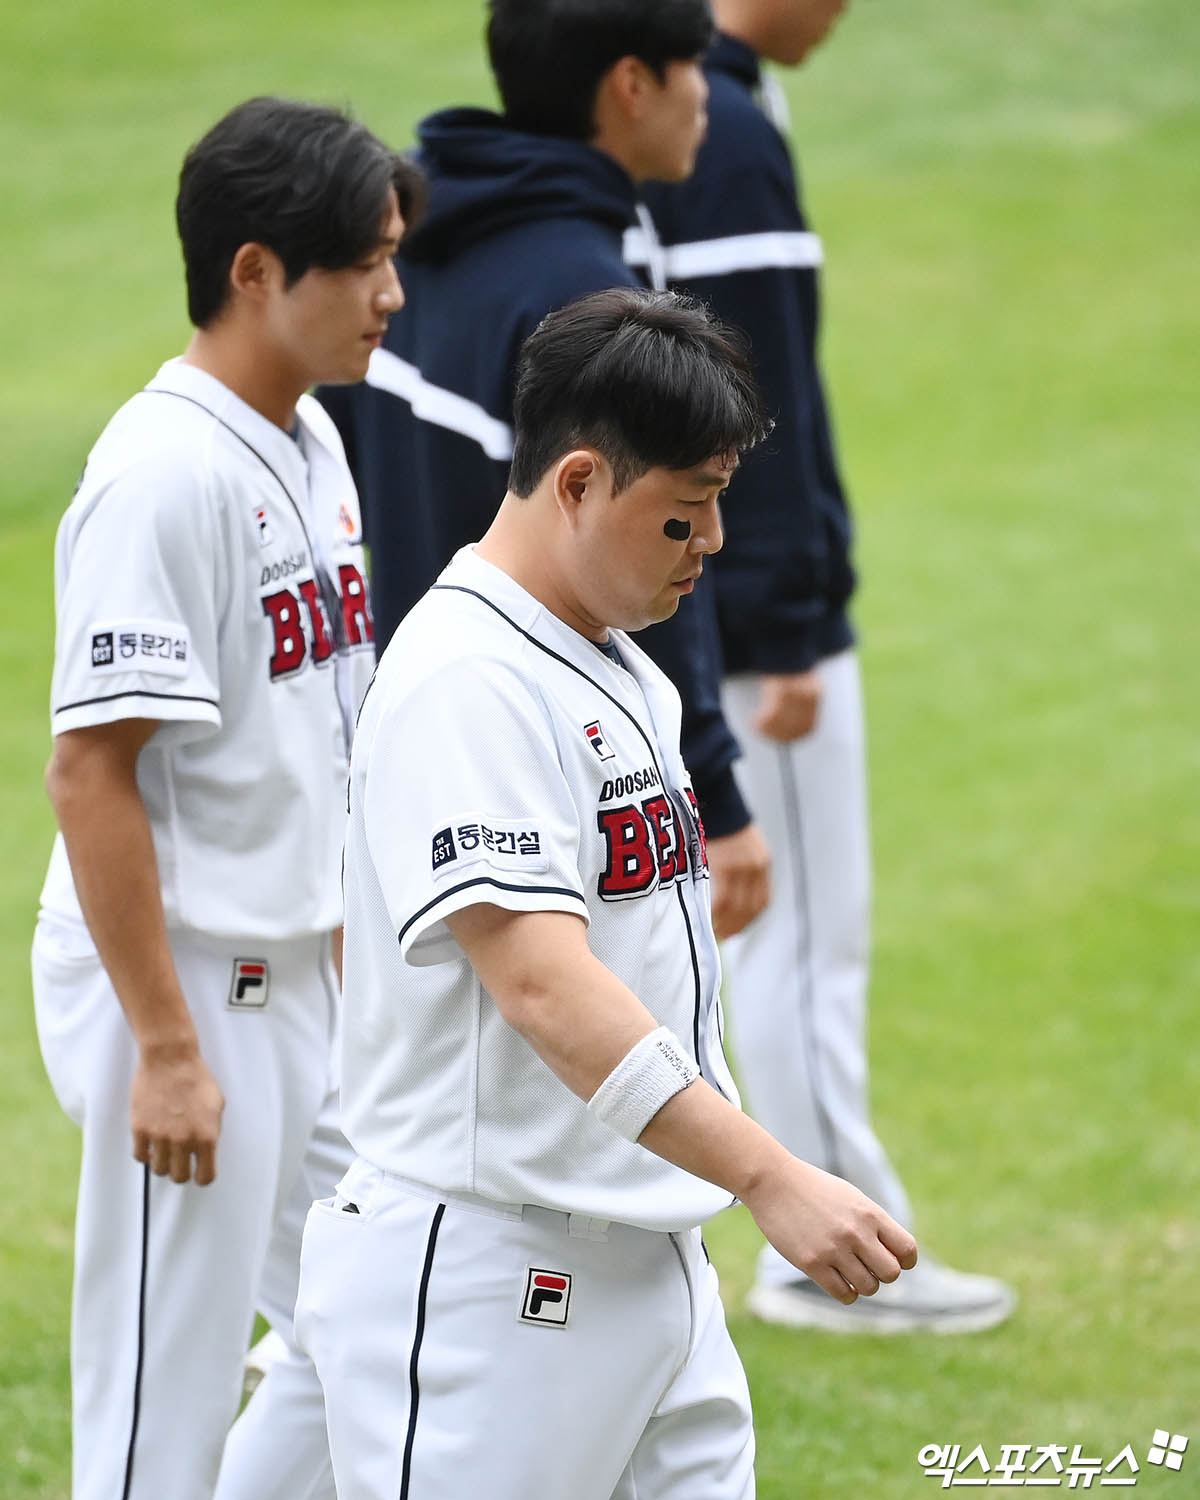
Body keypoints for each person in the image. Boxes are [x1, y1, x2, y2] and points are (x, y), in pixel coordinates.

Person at [294, 286, 919, 1500]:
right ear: (578, 482)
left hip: (648, 1265)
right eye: (686, 514)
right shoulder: (465, 681)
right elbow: (541, 984)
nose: (716, 544)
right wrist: (770, 1173)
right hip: (492, 1289)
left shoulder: (612, 663)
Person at [31, 96, 422, 1499]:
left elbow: (309, 736)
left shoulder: (310, 443)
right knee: (159, 1408)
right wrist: (165, 1049)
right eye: (363, 262)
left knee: (382, 1313)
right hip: (187, 988)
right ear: (256, 272)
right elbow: (94, 769)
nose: (392, 291)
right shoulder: (163, 475)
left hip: (295, 981)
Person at [633, 0, 1017, 1332]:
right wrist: (788, 622)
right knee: (798, 947)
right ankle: (830, 1253)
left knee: (786, 945)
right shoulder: (723, 125)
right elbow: (754, 400)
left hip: (715, 603)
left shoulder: (724, 108)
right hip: (756, 623)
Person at [317, 0, 772, 946]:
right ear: (632, 84)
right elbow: (645, 546)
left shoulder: (412, 249)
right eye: (694, 65)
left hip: (401, 739)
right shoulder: (578, 291)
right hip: (537, 751)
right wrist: (716, 789)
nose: (709, 92)